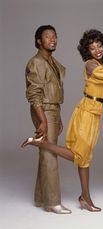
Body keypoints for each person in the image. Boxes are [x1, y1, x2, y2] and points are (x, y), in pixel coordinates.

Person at [22, 29, 103, 212]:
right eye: (92, 48)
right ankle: (38, 143)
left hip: (94, 111)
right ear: (88, 52)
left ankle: (85, 197)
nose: (97, 50)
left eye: (99, 45)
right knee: (79, 156)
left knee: (85, 159)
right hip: (86, 111)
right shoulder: (91, 64)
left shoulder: (101, 63)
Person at [23, 25, 71, 214]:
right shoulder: (36, 62)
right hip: (43, 110)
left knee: (46, 151)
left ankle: (40, 197)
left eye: (55, 36)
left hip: (52, 109)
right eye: (47, 37)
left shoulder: (51, 61)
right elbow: (34, 94)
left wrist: (57, 117)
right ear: (38, 41)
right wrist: (43, 120)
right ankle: (52, 203)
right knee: (50, 154)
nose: (52, 39)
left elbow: (54, 91)